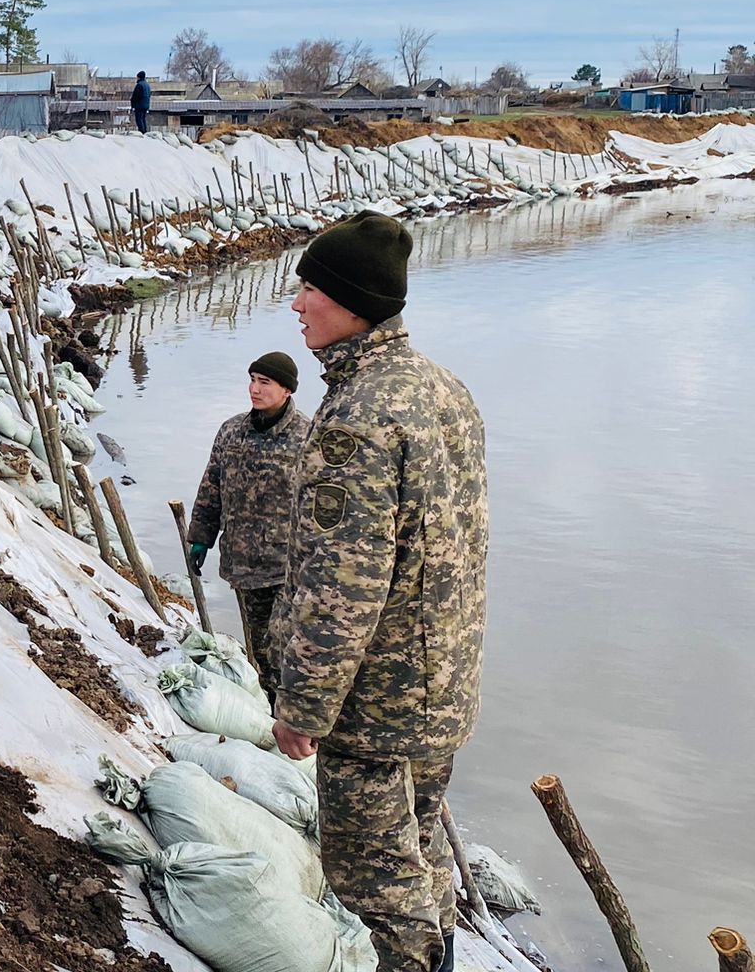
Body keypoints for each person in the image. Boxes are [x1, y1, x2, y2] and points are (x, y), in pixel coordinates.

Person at [271, 211, 487, 972]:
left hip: (376, 706)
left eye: (309, 290)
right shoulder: (442, 389)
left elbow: (343, 590)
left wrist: (303, 707)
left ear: (353, 302)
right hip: (441, 684)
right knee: (423, 860)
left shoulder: (358, 418)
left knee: (376, 888)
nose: (296, 304)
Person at [185, 350, 309, 704]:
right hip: (243, 562)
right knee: (260, 651)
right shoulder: (231, 431)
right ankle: (272, 716)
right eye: (252, 380)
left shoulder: (307, 437)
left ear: (287, 391)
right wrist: (200, 538)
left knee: (283, 646)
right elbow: (211, 486)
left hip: (288, 567)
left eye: (264, 382)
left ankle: (297, 721)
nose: (254, 389)